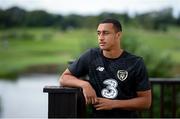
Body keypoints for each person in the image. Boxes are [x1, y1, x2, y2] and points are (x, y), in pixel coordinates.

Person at [59, 18, 152, 118]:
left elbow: (146, 102)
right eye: (99, 33)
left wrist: (113, 104)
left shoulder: (135, 62)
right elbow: (64, 78)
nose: (101, 37)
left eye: (106, 33)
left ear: (118, 35)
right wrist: (85, 85)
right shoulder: (91, 56)